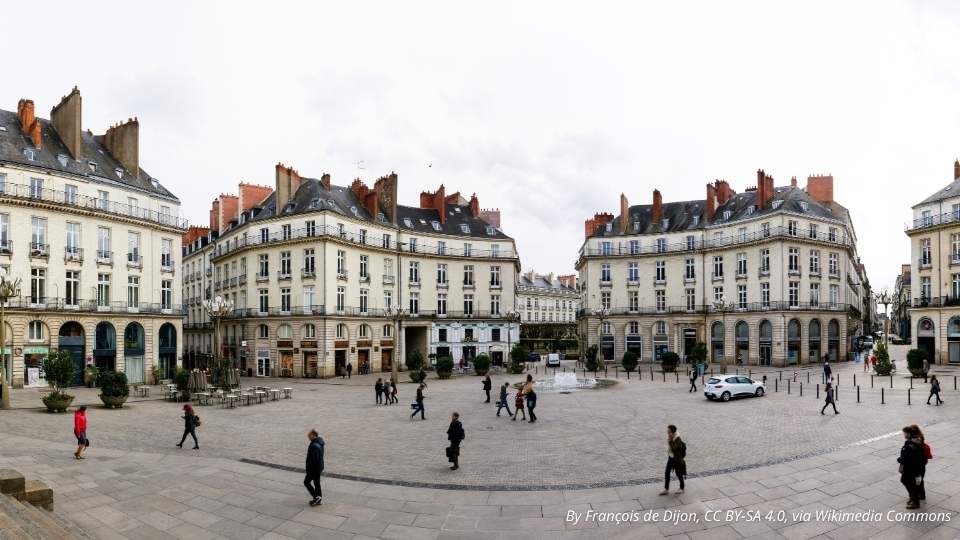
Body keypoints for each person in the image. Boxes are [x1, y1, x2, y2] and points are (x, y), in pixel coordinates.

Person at [897, 425, 926, 509]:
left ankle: (915, 501)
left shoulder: (909, 445)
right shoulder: (918, 439)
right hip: (919, 467)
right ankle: (919, 496)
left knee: (907, 481)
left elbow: (905, 460)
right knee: (918, 481)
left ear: (909, 434)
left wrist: (899, 459)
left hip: (911, 469)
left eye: (905, 433)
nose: (904, 435)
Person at [659, 425, 686, 495]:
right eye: (667, 431)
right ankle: (666, 489)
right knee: (667, 472)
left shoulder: (678, 438)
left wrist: (670, 441)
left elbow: (674, 449)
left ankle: (682, 488)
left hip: (676, 459)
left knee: (678, 473)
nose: (668, 433)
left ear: (673, 432)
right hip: (671, 458)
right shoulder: (671, 436)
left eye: (669, 431)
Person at [304, 429, 325, 506]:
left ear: (314, 435)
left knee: (306, 482)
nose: (308, 438)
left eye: (309, 436)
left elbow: (314, 460)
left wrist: (309, 469)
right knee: (316, 483)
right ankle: (319, 498)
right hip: (319, 467)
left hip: (314, 469)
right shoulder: (319, 442)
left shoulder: (315, 446)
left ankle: (316, 497)